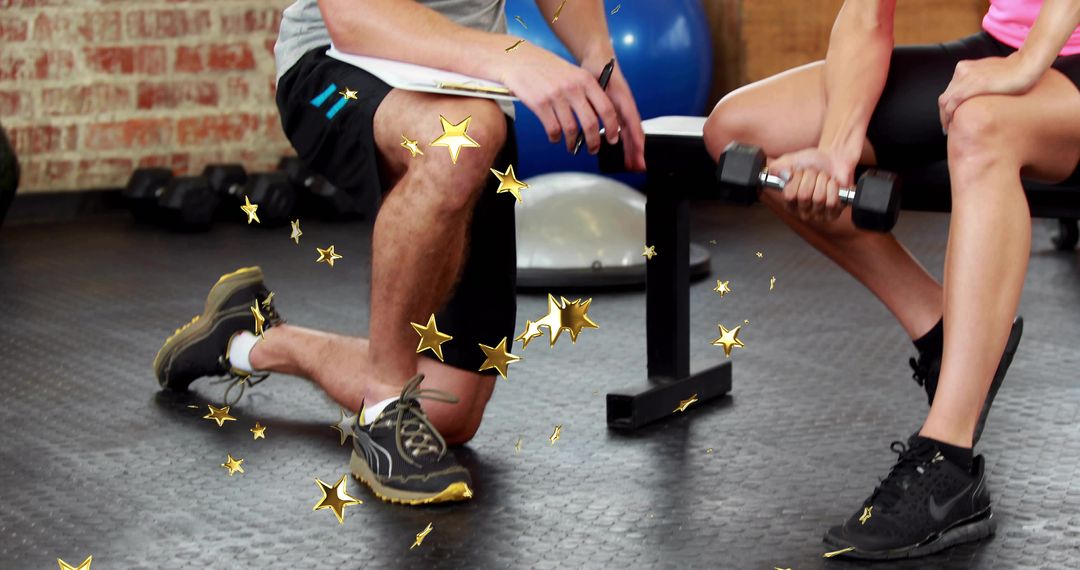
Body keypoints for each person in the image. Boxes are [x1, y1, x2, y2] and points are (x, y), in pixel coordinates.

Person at [153, 0, 645, 506]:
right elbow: (354, 16)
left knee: (449, 408)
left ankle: (248, 338)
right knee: (464, 136)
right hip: (336, 64)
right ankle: (384, 410)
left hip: (473, 82)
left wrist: (596, 54)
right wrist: (511, 54)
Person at [704, 0, 1079, 559]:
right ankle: (945, 330)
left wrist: (1025, 66)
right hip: (1002, 52)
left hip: (1048, 71)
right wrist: (835, 150)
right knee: (739, 129)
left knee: (981, 123)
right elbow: (865, 15)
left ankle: (949, 463)